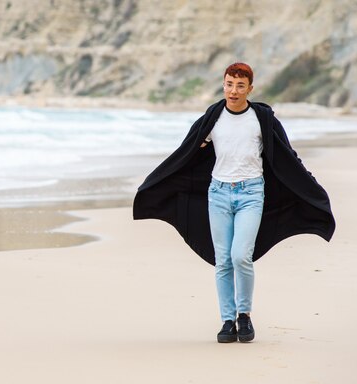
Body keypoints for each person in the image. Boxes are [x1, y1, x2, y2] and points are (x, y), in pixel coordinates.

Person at [133, 62, 335, 343]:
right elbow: (187, 151)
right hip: (218, 194)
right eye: (229, 84)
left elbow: (288, 155)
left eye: (240, 86)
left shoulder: (262, 119)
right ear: (223, 84)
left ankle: (244, 315)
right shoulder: (213, 117)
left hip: (252, 193)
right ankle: (227, 321)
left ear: (250, 89)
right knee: (223, 260)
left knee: (241, 255)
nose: (233, 90)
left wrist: (310, 183)